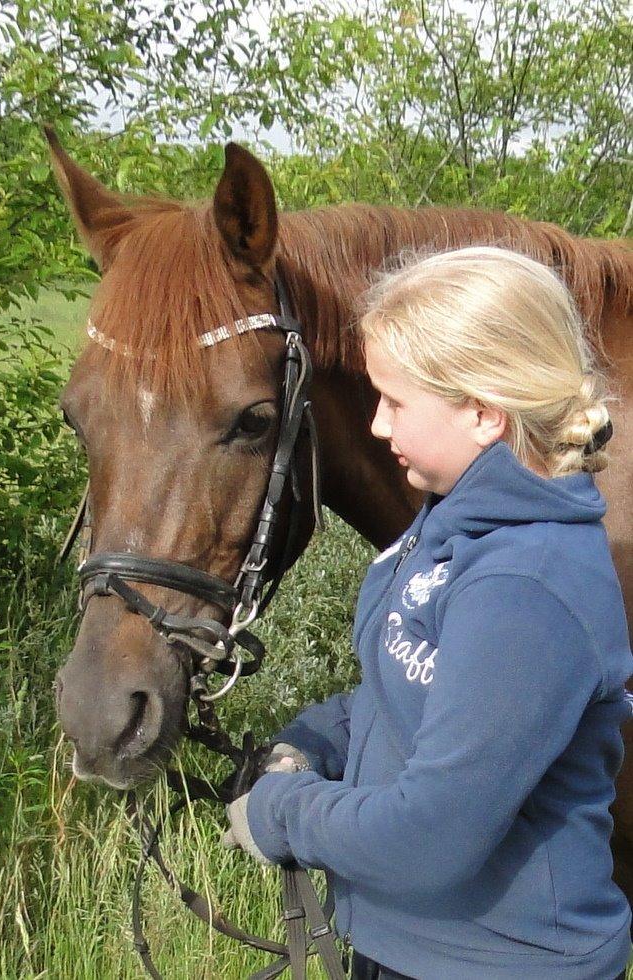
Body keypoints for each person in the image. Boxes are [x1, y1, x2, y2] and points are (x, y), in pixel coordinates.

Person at [223, 246, 633, 979]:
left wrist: (281, 813)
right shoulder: (450, 522)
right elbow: (414, 692)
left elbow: (431, 837)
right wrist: (312, 740)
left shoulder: (526, 587)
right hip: (411, 950)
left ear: (483, 414)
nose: (378, 426)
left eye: (396, 401)